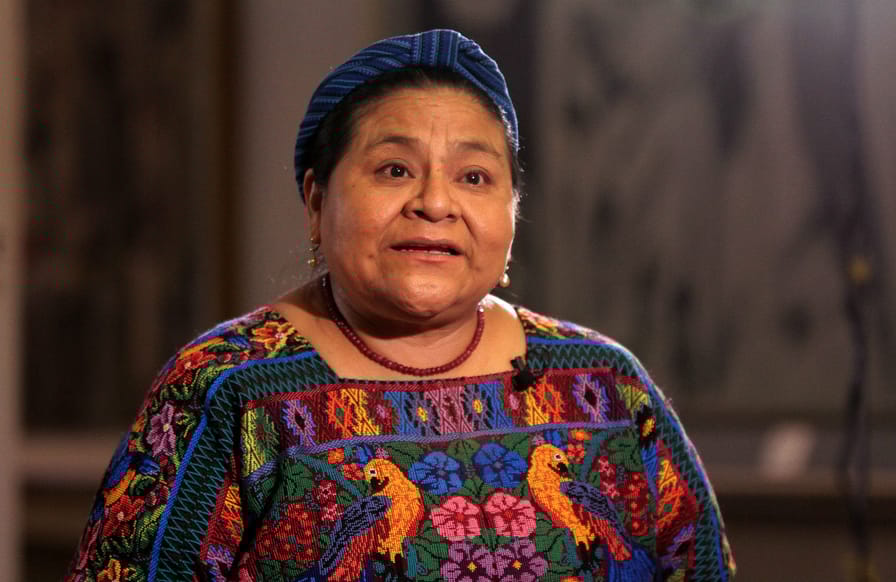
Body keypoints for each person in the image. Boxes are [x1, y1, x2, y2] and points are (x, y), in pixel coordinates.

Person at [65, 29, 735, 582]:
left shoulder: (606, 386)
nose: (436, 203)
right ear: (316, 202)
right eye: (395, 170)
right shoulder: (228, 387)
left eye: (474, 176)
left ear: (510, 214)